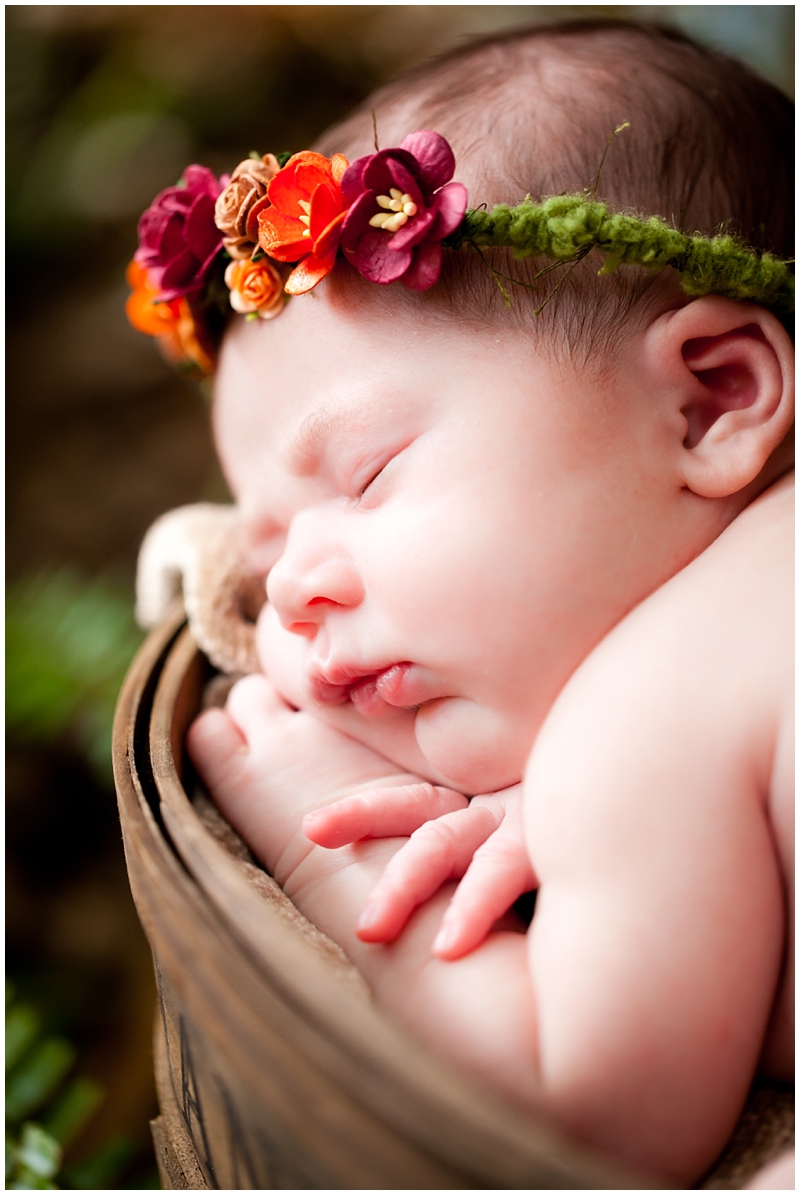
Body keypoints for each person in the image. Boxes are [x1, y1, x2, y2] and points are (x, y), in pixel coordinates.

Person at [132, 20, 793, 1184]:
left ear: (707, 402)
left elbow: (578, 1123)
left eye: (368, 475)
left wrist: (311, 840)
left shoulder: (645, 706)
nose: (283, 585)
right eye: (266, 541)